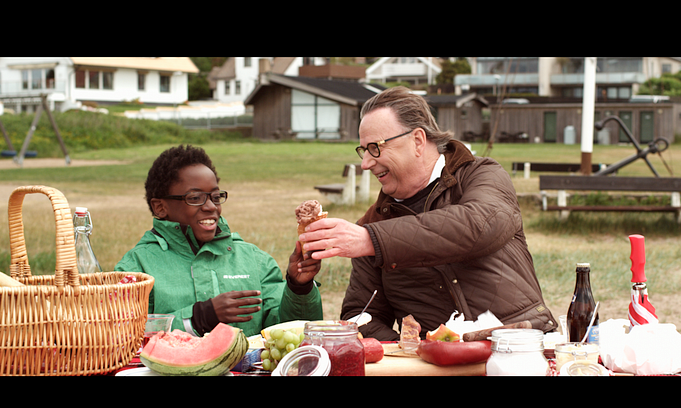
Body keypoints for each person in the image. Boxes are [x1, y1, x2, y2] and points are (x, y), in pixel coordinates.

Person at [299, 86, 557, 341]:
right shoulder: (372, 223)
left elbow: (479, 226)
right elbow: (362, 314)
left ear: (418, 140)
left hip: (521, 346)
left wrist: (371, 240)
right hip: (435, 365)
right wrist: (409, 352)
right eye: (363, 150)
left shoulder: (481, 174)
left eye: (375, 148)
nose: (366, 163)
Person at [116, 144, 323, 338]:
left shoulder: (255, 261)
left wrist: (298, 288)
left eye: (215, 197)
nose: (211, 207)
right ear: (160, 207)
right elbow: (120, 332)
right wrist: (197, 318)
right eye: (195, 198)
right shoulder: (136, 269)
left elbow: (289, 332)